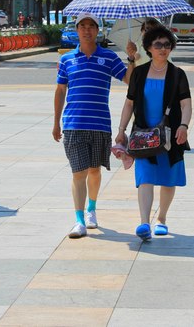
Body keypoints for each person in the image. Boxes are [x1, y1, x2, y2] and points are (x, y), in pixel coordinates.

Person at [53, 12, 137, 239]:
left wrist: (131, 59)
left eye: (91, 26)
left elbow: (129, 80)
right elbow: (60, 90)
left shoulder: (108, 57)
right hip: (73, 124)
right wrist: (56, 122)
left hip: (100, 124)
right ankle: (79, 220)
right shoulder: (67, 59)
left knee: (94, 170)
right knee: (78, 172)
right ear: (77, 30)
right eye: (83, 26)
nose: (87, 30)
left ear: (98, 30)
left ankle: (91, 208)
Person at [115, 25, 192, 241]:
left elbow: (186, 104)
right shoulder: (139, 73)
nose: (163, 48)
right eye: (158, 44)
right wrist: (121, 130)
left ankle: (162, 219)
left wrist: (184, 126)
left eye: (167, 44)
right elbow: (129, 103)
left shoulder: (177, 74)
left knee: (168, 179)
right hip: (143, 135)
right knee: (145, 177)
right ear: (149, 47)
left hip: (170, 136)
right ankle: (144, 223)